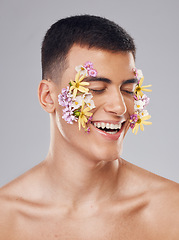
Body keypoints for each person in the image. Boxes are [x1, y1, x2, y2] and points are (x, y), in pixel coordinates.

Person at [0, 15, 179, 240]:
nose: (120, 107)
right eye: (96, 88)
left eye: (128, 90)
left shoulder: (172, 211)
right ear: (48, 97)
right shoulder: (5, 219)